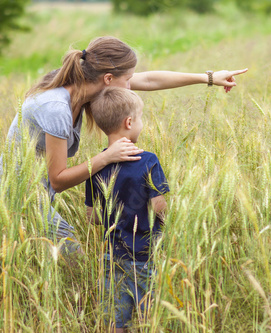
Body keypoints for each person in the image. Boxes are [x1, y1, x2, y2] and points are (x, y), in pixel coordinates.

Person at [5, 35, 247, 255]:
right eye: (128, 80)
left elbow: (150, 79)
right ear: (108, 79)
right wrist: (107, 157)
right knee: (74, 257)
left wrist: (208, 78)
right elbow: (58, 179)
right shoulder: (56, 108)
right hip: (16, 197)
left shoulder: (86, 83)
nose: (131, 86)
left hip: (38, 191)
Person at [85, 87, 167, 331]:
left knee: (115, 320)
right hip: (146, 255)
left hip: (113, 257)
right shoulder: (149, 160)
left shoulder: (96, 165)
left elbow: (92, 217)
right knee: (147, 319)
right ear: (129, 122)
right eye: (140, 118)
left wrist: (116, 214)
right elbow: (158, 206)